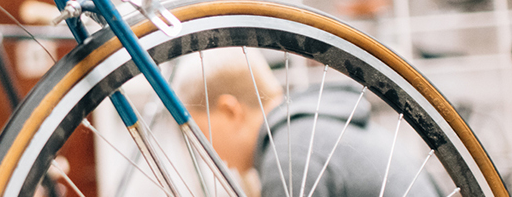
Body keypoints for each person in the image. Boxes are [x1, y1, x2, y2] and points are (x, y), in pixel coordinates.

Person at [179, 49, 440, 197]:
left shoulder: (288, 158)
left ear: (230, 111)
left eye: (203, 134)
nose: (207, 152)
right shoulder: (306, 128)